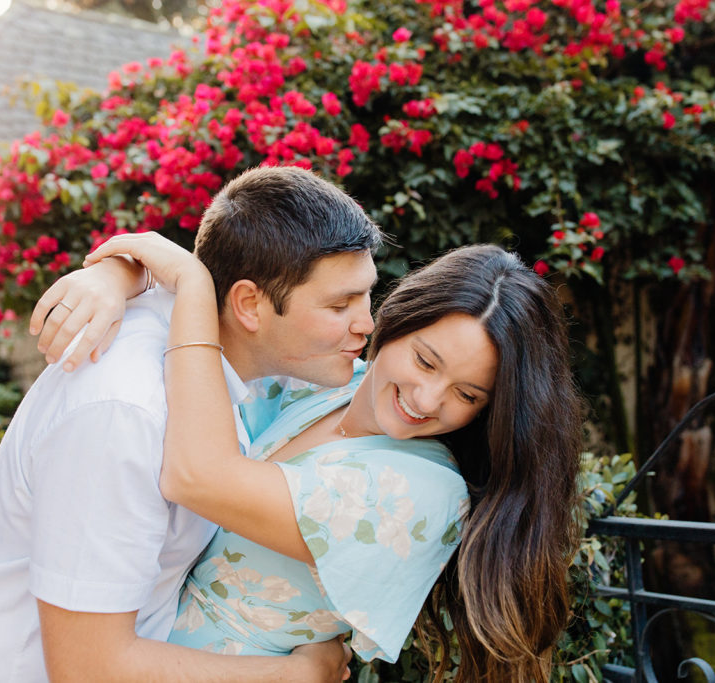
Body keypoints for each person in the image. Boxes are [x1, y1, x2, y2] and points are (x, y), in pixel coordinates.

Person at [0, 166, 384, 682]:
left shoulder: (230, 356)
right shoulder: (125, 408)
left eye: (365, 296)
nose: (365, 323)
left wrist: (125, 267)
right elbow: (89, 668)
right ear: (249, 304)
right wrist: (299, 677)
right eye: (340, 305)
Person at [56, 233, 582, 682]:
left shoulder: (426, 493)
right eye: (424, 361)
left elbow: (197, 475)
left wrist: (190, 281)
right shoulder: (329, 385)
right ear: (397, 318)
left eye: (467, 395)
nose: (426, 400)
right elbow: (233, 331)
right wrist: (119, 277)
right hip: (142, 649)